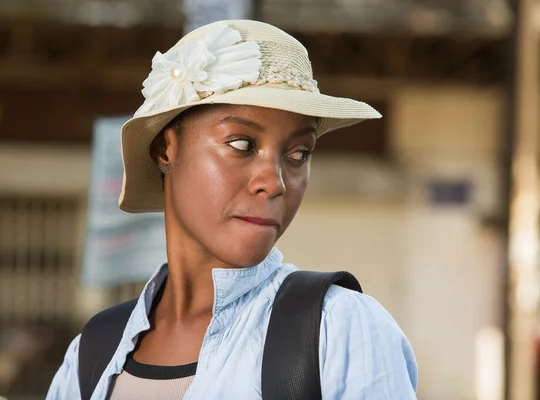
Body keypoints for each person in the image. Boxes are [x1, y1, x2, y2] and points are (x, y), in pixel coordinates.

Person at [48, 19, 418, 399]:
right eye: (242, 144)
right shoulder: (94, 352)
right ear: (165, 149)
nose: (274, 181)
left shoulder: (336, 329)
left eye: (298, 154)